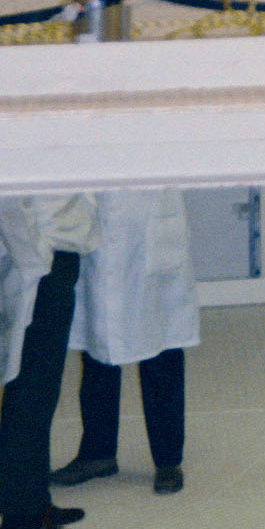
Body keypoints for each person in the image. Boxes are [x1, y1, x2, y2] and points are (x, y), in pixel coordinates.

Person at [0, 192, 97, 529]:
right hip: (41, 261)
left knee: (38, 388)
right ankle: (23, 520)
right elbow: (7, 205)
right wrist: (35, 265)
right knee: (32, 388)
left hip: (53, 252)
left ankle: (29, 500)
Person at [62, 184, 199, 495]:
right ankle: (98, 453)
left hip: (149, 224)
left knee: (160, 345)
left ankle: (168, 461)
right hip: (97, 221)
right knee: (98, 348)